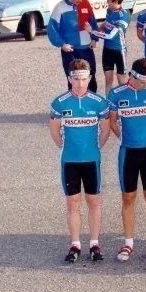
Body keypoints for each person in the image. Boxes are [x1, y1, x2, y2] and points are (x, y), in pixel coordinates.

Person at [107, 58, 146, 262]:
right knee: (128, 198)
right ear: (132, 76)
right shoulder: (116, 94)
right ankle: (128, 243)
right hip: (128, 153)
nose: (145, 86)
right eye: (143, 82)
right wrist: (122, 137)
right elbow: (112, 121)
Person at [49, 59, 110, 262]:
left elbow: (105, 131)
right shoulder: (60, 103)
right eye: (76, 79)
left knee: (94, 201)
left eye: (84, 79)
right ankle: (75, 244)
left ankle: (94, 244)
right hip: (70, 161)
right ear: (69, 78)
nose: (80, 83)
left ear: (90, 78)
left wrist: (94, 149)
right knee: (73, 202)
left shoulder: (99, 102)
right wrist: (67, 148)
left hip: (91, 161)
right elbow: (55, 133)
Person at [47, 0, 99, 93]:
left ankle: (92, 101)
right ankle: (74, 102)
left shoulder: (85, 4)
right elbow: (52, 29)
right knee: (73, 79)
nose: (80, 0)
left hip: (86, 48)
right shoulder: (60, 7)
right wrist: (62, 44)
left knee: (91, 77)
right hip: (70, 50)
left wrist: (94, 39)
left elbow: (93, 22)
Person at [88, 0, 131, 95]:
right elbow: (105, 24)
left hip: (119, 50)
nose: (106, 2)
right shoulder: (109, 10)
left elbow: (110, 36)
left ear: (115, 1)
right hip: (107, 50)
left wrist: (92, 31)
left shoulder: (124, 16)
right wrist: (95, 37)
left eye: (108, 0)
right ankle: (109, 103)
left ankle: (124, 102)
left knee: (121, 81)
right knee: (108, 81)